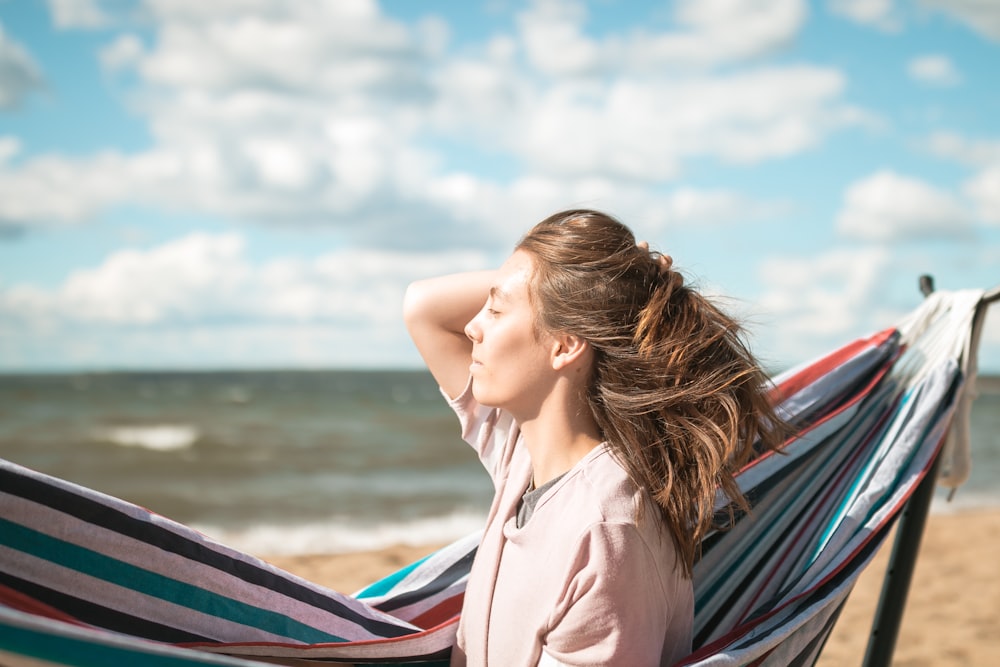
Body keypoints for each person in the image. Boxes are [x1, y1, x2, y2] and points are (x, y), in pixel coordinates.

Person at [403, 209, 787, 666]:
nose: (472, 326)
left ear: (564, 346)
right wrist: (608, 280)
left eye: (497, 308)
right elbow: (422, 307)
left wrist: (567, 284)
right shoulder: (521, 454)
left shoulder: (605, 532)